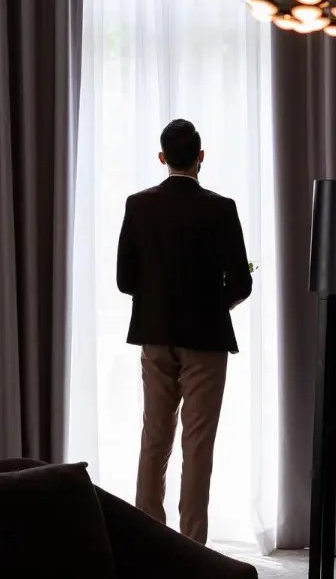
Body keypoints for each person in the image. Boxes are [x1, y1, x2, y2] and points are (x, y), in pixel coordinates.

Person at [116, 118, 252, 546]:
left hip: (155, 335)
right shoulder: (222, 208)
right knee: (197, 446)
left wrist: (159, 298)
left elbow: (124, 280)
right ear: (201, 156)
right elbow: (242, 284)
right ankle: (192, 549)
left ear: (162, 157)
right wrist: (215, 302)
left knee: (154, 439)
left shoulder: (138, 205)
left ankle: (148, 546)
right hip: (207, 339)